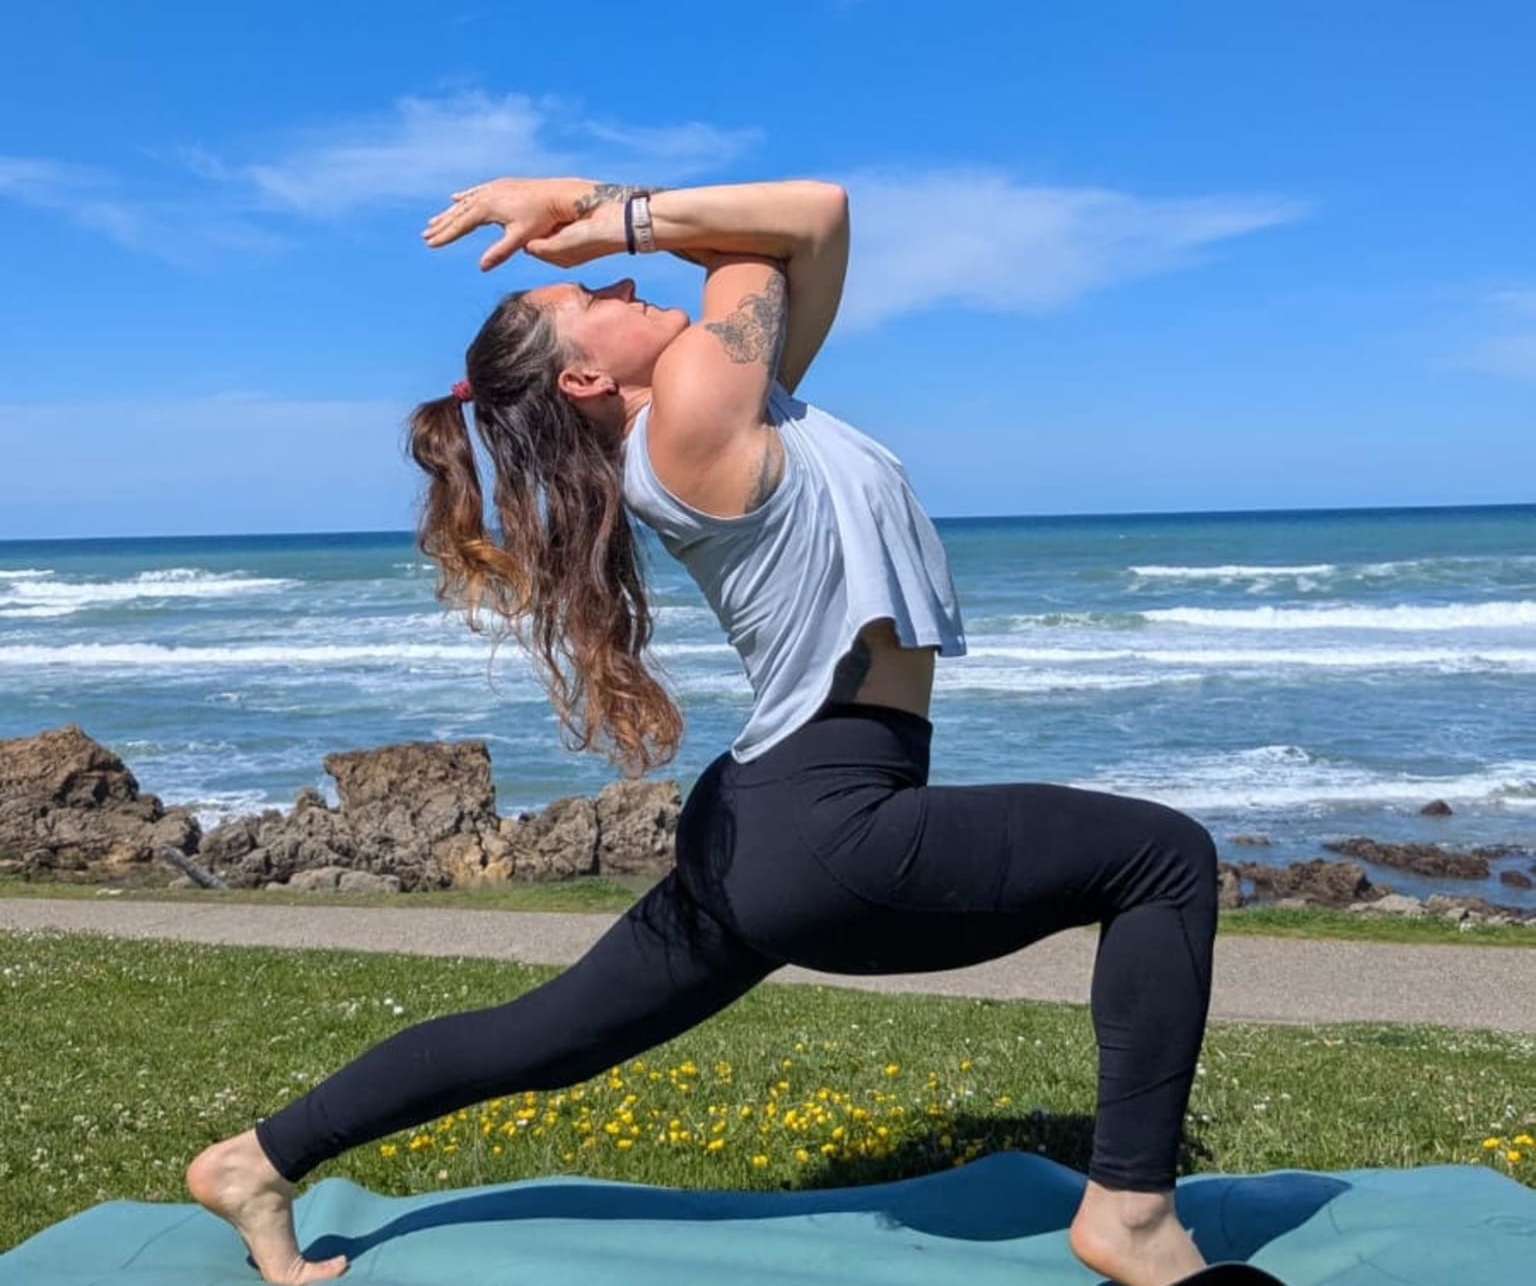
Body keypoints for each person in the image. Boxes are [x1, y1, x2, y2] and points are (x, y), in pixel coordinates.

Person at [187, 176, 1219, 1286]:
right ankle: (1130, 1213)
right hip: (826, 822)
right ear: (586, 379)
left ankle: (256, 1161)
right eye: (594, 298)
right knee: (1164, 861)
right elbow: (806, 213)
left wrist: (593, 215)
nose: (622, 283)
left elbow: (803, 237)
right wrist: (594, 211)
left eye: (602, 277)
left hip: (771, 815)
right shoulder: (690, 412)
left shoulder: (727, 408)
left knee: (551, 1035)